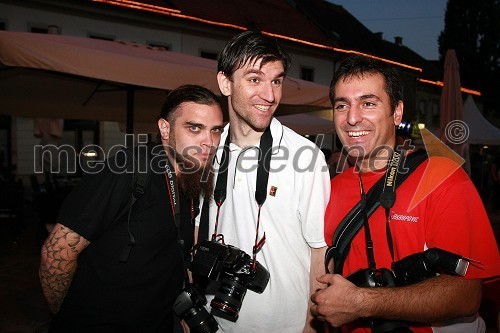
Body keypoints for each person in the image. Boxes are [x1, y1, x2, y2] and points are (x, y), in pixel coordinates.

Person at [311, 55, 500, 332]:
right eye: (342, 105)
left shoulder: (442, 177)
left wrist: (363, 302)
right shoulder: (329, 188)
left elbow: (467, 294)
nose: (352, 118)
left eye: (368, 103)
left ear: (397, 112)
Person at [39, 84, 224, 332]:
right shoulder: (129, 166)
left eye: (216, 131)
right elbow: (57, 252)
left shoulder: (191, 179)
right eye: (194, 128)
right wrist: (65, 315)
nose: (208, 141)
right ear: (165, 129)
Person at [197, 31, 330, 332]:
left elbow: (319, 251)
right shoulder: (207, 151)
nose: (270, 96)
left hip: (286, 325)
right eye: (255, 79)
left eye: (277, 81)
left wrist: (312, 325)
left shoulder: (306, 156)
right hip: (213, 322)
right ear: (225, 83)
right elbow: (196, 231)